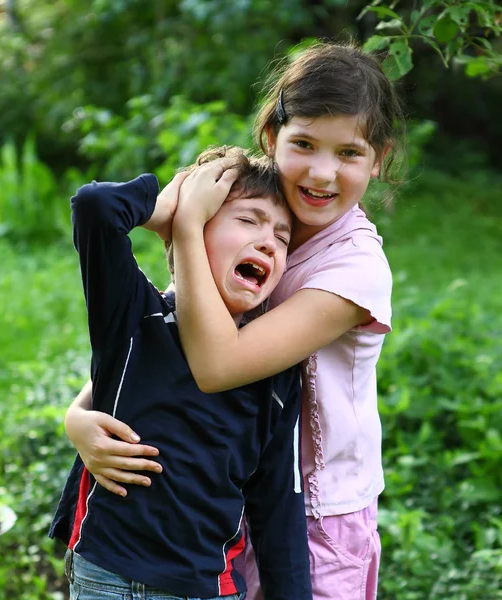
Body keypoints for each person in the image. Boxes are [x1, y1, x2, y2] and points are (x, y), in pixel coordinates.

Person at [67, 40, 404, 600]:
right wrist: (79, 416)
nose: (322, 173)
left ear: (379, 160)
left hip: (319, 519)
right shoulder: (268, 219)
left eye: (349, 153)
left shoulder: (355, 270)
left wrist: (187, 227)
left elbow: (214, 364)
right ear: (272, 137)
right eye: (304, 144)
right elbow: (155, 342)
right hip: (228, 504)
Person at [49, 146, 313, 600]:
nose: (270, 241)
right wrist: (174, 208)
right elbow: (96, 207)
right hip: (105, 576)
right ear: (194, 226)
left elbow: (278, 509)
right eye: (248, 221)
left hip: (204, 587)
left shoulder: (272, 367)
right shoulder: (135, 316)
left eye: (283, 237)